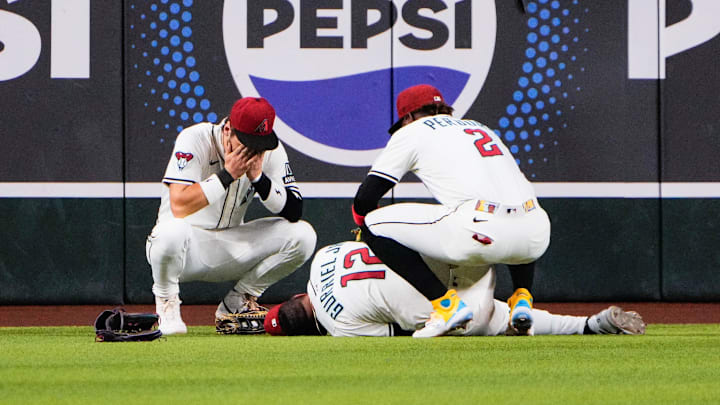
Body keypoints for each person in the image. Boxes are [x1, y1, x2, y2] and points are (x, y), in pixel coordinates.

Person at [352, 84, 551, 338]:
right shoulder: (480, 127)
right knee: (514, 203)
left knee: (372, 224)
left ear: (409, 117)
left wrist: (363, 229)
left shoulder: (411, 132)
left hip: (480, 230)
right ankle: (523, 297)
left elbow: (364, 200)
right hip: (535, 234)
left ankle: (445, 306)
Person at [146, 97, 317, 335]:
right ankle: (166, 305)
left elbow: (294, 209)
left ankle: (238, 302)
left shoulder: (269, 153)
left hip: (230, 246)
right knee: (170, 232)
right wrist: (227, 175)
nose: (253, 151)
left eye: (259, 145)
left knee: (303, 235)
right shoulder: (195, 138)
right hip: (185, 250)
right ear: (228, 130)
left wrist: (259, 178)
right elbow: (179, 204)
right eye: (246, 143)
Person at [263, 241, 646, 337]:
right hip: (461, 257)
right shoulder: (323, 256)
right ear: (296, 295)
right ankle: (522, 289)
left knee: (492, 317)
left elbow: (398, 332)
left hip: (460, 306)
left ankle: (588, 325)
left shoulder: (339, 328)